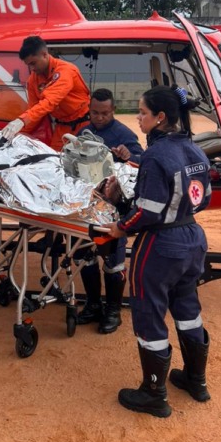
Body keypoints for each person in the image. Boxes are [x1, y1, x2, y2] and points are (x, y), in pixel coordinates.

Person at [104, 85, 212, 417]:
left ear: (160, 117)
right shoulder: (195, 150)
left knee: (149, 312)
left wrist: (120, 227)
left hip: (160, 245)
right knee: (187, 308)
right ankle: (196, 380)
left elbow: (148, 211)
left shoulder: (155, 155)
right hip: (193, 238)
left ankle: (154, 393)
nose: (138, 118)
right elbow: (204, 198)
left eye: (142, 113)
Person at [76, 88, 144, 334]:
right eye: (95, 112)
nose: (100, 117)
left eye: (105, 113)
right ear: (89, 110)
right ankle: (93, 304)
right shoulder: (84, 132)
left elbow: (143, 162)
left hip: (113, 211)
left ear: (113, 110)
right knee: (84, 256)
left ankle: (113, 311)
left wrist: (129, 156)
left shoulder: (123, 134)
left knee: (113, 261)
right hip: (84, 207)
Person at [0, 36, 90, 151]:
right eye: (28, 65)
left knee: (86, 158)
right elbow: (35, 112)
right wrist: (16, 133)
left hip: (84, 125)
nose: (32, 68)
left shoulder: (65, 71)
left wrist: (22, 120)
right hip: (62, 127)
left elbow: (50, 101)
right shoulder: (33, 80)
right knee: (55, 158)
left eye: (33, 63)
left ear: (44, 55)